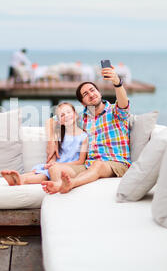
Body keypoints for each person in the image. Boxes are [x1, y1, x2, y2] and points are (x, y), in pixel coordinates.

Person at [41, 65, 131, 194]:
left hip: (117, 164)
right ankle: (60, 192)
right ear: (83, 103)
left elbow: (124, 103)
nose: (91, 94)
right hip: (88, 166)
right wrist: (51, 141)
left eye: (92, 90)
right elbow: (51, 120)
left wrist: (117, 83)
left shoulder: (115, 111)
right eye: (85, 94)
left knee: (98, 165)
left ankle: (70, 184)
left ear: (99, 92)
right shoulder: (81, 117)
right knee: (54, 168)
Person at [1, 102, 88, 186]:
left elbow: (80, 161)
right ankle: (18, 178)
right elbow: (54, 155)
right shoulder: (59, 135)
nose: (66, 116)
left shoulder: (84, 137)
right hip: (55, 164)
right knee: (37, 170)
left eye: (69, 112)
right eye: (62, 115)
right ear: (59, 121)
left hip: (68, 166)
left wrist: (58, 165)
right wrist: (52, 163)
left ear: (76, 114)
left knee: (45, 175)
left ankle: (23, 180)